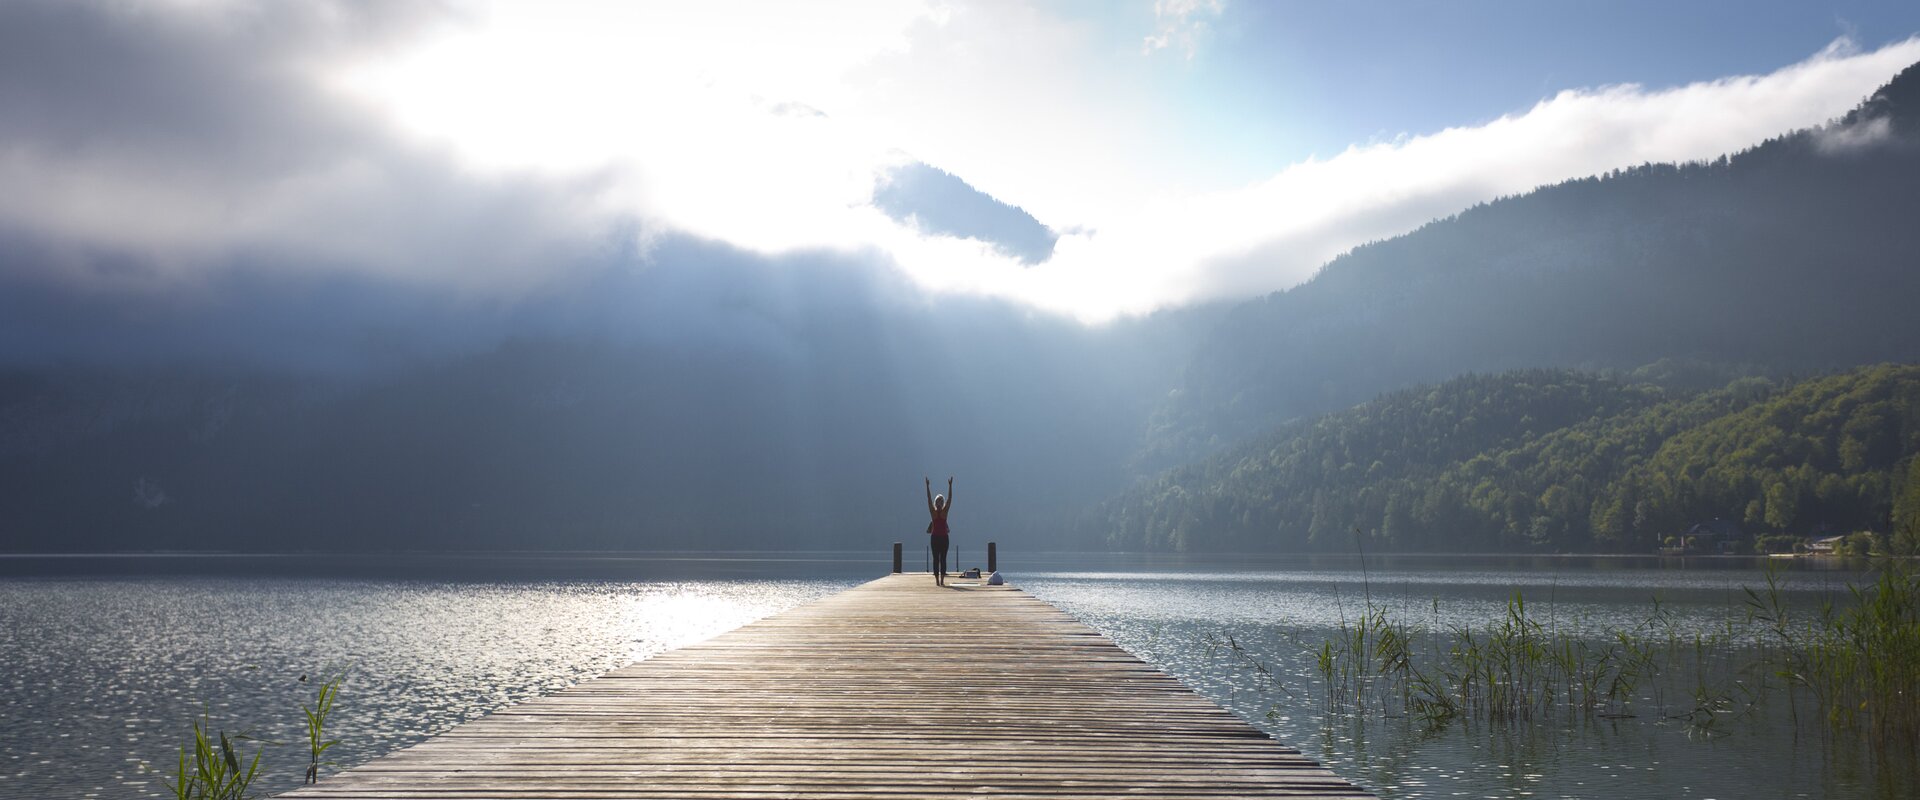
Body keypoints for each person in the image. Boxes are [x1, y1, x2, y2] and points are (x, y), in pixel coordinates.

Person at [925, 476, 953, 586]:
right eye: (938, 501)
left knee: (943, 559)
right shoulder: (933, 512)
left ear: (942, 503)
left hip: (944, 538)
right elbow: (928, 499)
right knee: (936, 559)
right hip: (935, 538)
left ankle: (942, 580)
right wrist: (927, 486)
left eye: (941, 501)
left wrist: (950, 486)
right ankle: (937, 581)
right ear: (935, 503)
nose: (939, 503)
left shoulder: (945, 512)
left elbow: (949, 500)